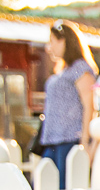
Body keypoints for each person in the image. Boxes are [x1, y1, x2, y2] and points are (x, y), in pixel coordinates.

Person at [34, 22, 96, 166]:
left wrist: (85, 142)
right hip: (52, 139)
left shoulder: (80, 68)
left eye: (52, 41)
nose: (49, 47)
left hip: (69, 139)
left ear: (64, 41)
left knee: (64, 185)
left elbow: (89, 105)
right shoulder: (63, 70)